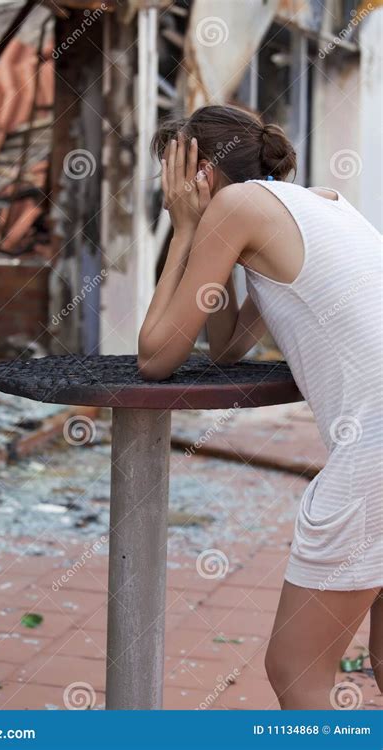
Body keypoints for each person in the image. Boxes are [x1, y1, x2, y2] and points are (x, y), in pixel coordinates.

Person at [138, 104, 382, 709]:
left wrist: (187, 229)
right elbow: (226, 345)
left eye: (170, 174)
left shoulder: (237, 207)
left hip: (373, 456)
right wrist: (206, 239)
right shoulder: (319, 202)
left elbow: (155, 355)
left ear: (195, 173)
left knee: (296, 668)